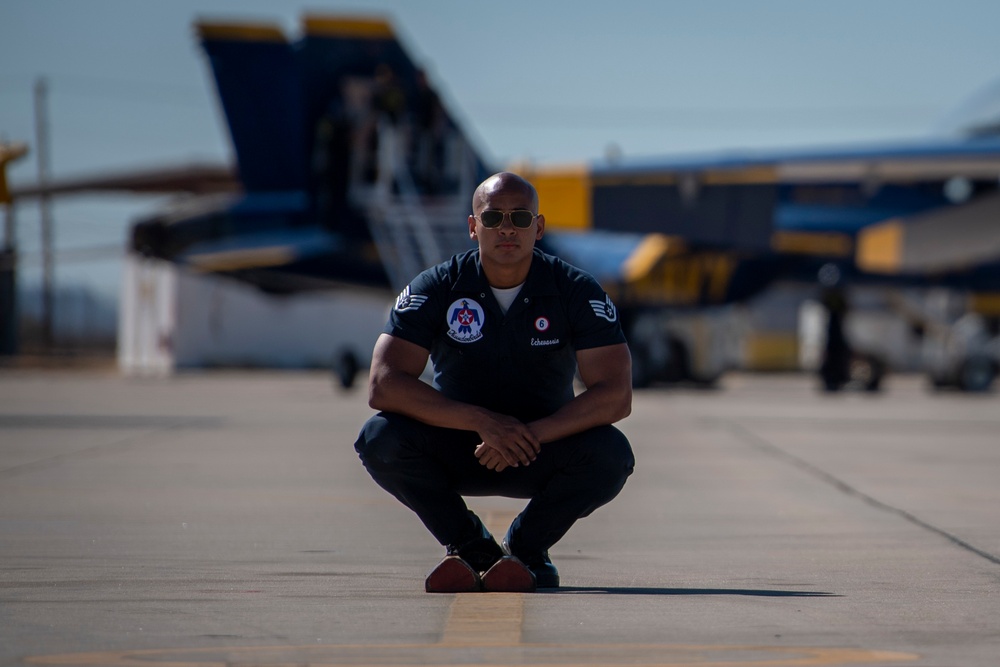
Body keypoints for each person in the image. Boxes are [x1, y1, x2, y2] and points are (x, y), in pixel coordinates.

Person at [354, 172, 635, 593]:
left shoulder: (575, 291)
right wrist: (482, 422)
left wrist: (527, 434)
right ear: (473, 227)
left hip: (541, 447)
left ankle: (525, 550)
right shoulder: (437, 287)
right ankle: (473, 549)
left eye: (521, 218)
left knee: (611, 454)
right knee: (379, 438)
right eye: (494, 217)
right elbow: (384, 383)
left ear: (538, 228)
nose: (507, 227)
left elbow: (615, 394)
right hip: (462, 444)